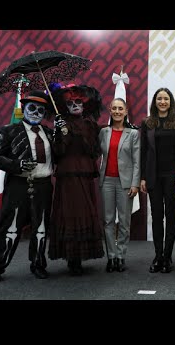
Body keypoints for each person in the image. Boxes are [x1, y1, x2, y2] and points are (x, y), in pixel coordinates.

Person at [0, 90, 54, 285]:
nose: (35, 112)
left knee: (41, 228)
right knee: (10, 228)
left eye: (41, 110)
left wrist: (63, 133)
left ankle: (38, 264)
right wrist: (17, 165)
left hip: (43, 186)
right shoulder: (8, 131)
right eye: (31, 108)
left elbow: (61, 153)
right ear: (23, 108)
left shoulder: (49, 133)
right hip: (18, 185)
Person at [48, 84, 104, 275]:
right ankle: (71, 258)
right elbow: (57, 153)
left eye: (78, 102)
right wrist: (61, 134)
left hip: (85, 175)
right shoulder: (60, 124)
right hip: (67, 176)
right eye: (70, 103)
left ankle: (81, 257)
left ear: (84, 104)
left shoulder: (90, 125)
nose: (74, 105)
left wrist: (78, 135)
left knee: (84, 212)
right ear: (65, 106)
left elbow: (94, 151)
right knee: (68, 213)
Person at [140, 88, 175, 273]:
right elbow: (143, 151)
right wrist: (143, 177)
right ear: (155, 101)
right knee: (157, 217)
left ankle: (168, 257)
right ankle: (158, 256)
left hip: (174, 177)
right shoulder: (147, 123)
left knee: (170, 216)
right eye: (159, 98)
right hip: (153, 176)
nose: (162, 101)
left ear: (171, 102)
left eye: (166, 99)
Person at [99, 98, 140, 273]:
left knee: (124, 221)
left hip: (125, 183)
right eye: (114, 108)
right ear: (110, 110)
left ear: (125, 111)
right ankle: (111, 257)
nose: (117, 111)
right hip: (106, 181)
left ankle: (121, 256)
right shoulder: (104, 132)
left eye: (120, 108)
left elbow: (137, 161)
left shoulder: (133, 134)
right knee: (108, 221)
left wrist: (135, 183)